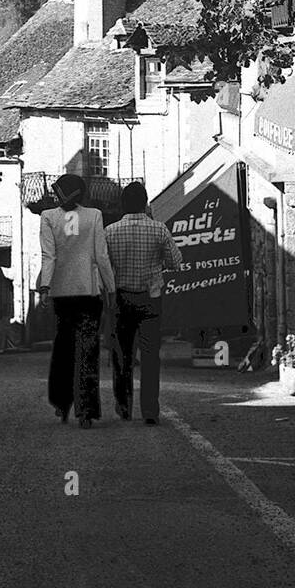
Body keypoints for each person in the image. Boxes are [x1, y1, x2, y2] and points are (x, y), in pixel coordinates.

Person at [37, 174, 116, 428]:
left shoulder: (48, 217)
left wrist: (45, 287)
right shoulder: (94, 215)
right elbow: (101, 255)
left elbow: (48, 256)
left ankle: (62, 404)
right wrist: (111, 287)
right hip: (88, 292)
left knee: (63, 349)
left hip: (61, 292)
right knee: (88, 350)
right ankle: (86, 409)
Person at [104, 182, 183, 426]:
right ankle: (150, 409)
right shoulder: (159, 229)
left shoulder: (110, 231)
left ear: (122, 204)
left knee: (122, 355)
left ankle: (124, 405)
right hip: (151, 299)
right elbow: (175, 262)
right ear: (146, 203)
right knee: (150, 357)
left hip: (122, 298)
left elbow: (104, 269)